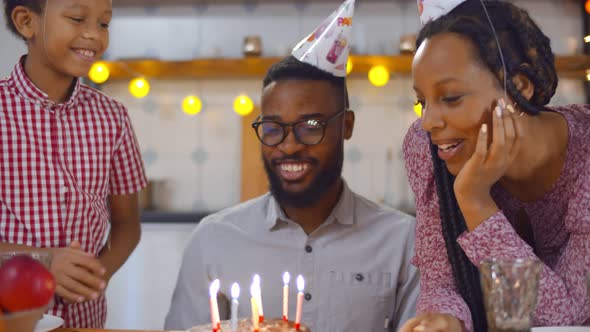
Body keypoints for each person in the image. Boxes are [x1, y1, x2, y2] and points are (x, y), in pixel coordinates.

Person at [165, 2, 418, 331]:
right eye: (272, 128)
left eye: (311, 126)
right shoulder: (214, 239)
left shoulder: (402, 241)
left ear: (347, 126)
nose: (289, 145)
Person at [400, 1, 590, 331]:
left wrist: (475, 202)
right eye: (422, 101)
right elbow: (442, 283)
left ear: (518, 87)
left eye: (450, 98)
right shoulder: (427, 149)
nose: (428, 122)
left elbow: (566, 317)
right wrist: (446, 319)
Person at [0, 0, 147, 328]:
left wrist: (93, 277)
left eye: (104, 24)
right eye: (78, 19)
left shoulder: (113, 117)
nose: (94, 36)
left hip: (85, 321)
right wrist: (42, 262)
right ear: (27, 22)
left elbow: (127, 225)